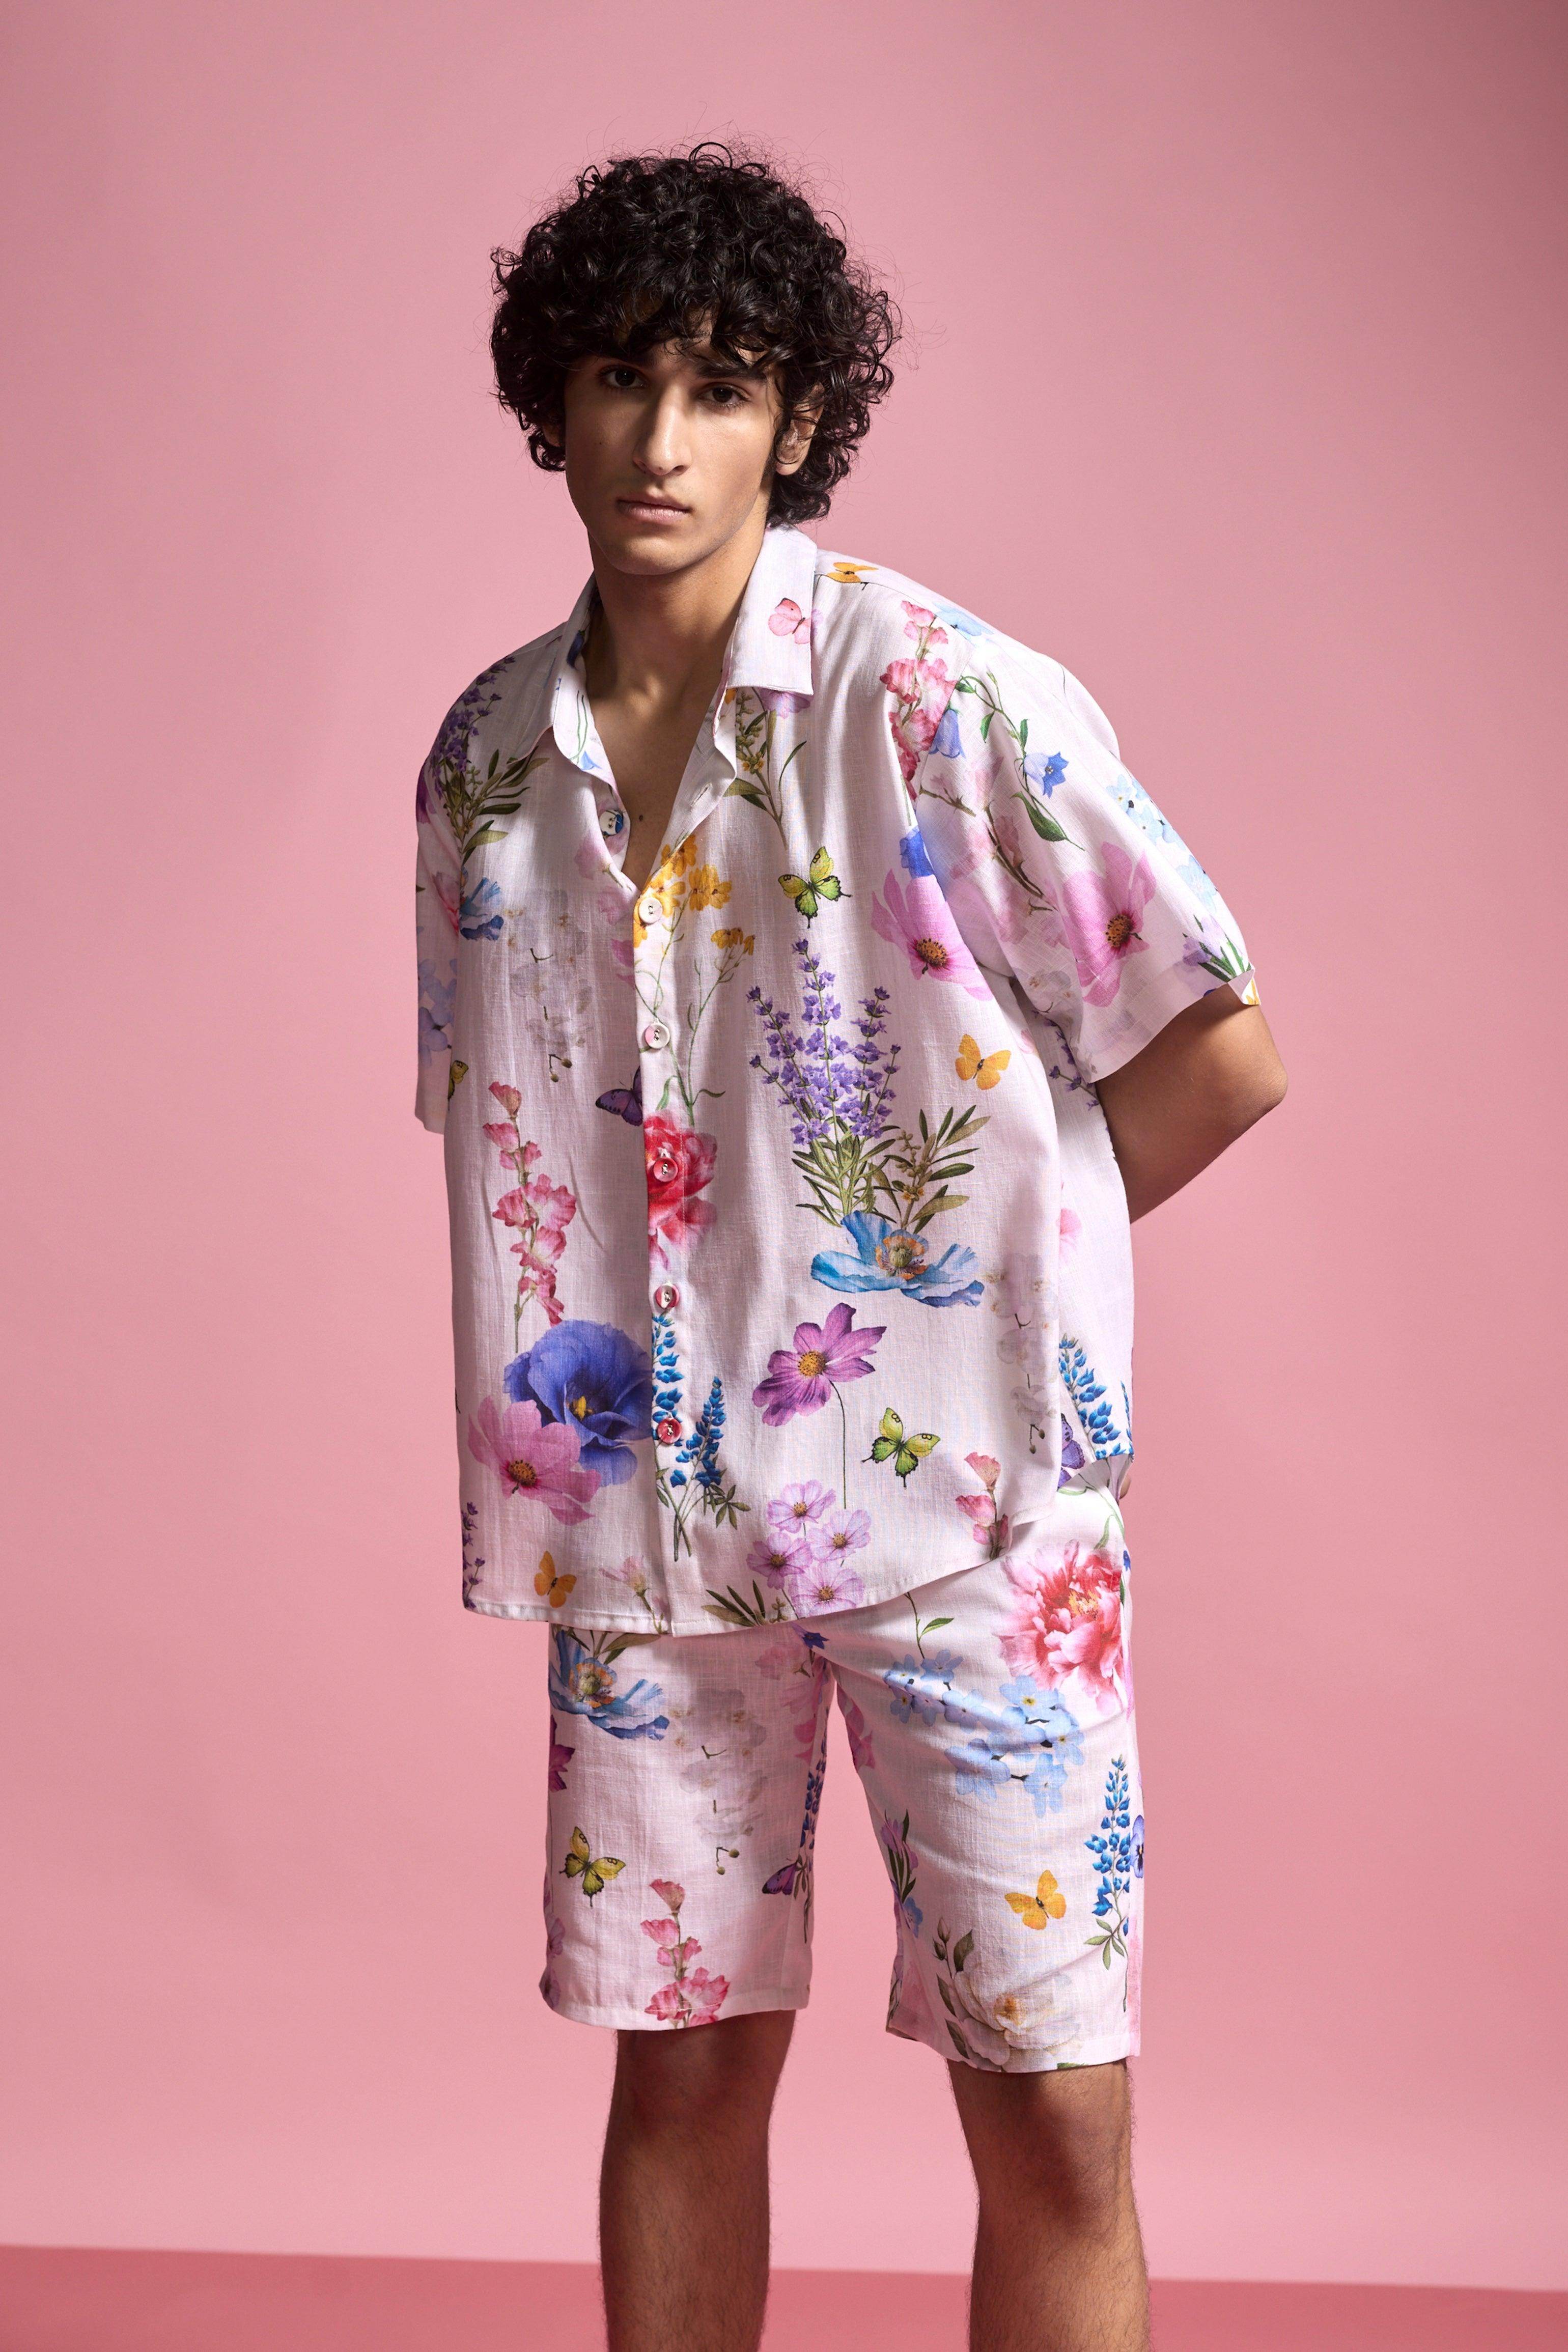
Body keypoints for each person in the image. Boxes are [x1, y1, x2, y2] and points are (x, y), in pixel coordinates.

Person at [412, 142, 1285, 2352]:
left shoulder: (946, 700)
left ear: (795, 418)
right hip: (646, 1537)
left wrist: (968, 1286)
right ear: (553, 405)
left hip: (967, 1518)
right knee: (678, 2079)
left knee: (1054, 2111)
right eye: (619, 380)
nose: (662, 438)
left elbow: (1217, 1051)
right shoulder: (486, 765)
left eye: (720, 388)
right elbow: (526, 1135)